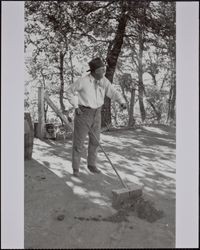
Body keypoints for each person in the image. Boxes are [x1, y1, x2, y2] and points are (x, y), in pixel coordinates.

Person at [65, 57, 126, 177]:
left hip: (97, 114)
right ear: (94, 71)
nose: (104, 72)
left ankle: (91, 165)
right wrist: (76, 106)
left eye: (104, 69)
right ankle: (76, 168)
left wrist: (121, 101)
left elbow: (112, 91)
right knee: (79, 143)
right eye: (102, 70)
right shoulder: (82, 81)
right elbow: (69, 92)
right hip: (83, 113)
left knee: (95, 141)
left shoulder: (103, 80)